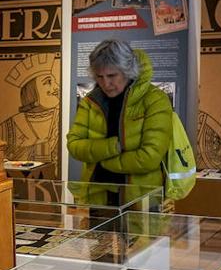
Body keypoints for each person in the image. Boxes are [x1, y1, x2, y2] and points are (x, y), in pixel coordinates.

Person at [66, 38, 173, 192]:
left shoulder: (154, 99)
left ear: (127, 71)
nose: (105, 84)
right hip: (98, 196)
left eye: (111, 75)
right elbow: (74, 145)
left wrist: (103, 163)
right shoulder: (90, 101)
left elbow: (150, 157)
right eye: (99, 77)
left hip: (142, 198)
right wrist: (113, 146)